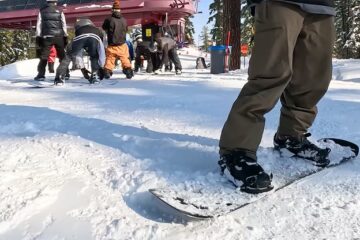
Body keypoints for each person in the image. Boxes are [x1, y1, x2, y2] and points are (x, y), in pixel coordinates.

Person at [218, 0, 336, 194]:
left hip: (322, 6)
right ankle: (236, 151)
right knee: (269, 76)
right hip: (277, 2)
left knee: (314, 79)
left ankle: (291, 136)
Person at [55, 18, 105, 85]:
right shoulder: (97, 30)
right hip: (94, 37)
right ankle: (95, 76)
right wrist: (101, 66)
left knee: (68, 56)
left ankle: (59, 77)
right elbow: (101, 51)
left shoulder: (79, 30)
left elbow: (78, 54)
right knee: (95, 56)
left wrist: (82, 68)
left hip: (81, 37)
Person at [34, 0, 68, 82]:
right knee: (62, 56)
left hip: (47, 37)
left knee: (44, 56)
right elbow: (64, 24)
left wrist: (38, 36)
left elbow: (39, 25)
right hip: (59, 36)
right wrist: (65, 35)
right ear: (55, 2)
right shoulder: (60, 10)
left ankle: (41, 75)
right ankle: (66, 73)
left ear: (47, 2)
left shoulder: (42, 11)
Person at [102, 0, 133, 79]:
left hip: (112, 44)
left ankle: (107, 72)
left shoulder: (109, 19)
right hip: (122, 44)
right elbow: (126, 30)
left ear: (112, 10)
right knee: (124, 58)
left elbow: (104, 28)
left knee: (110, 58)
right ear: (120, 10)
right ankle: (128, 72)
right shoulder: (124, 20)